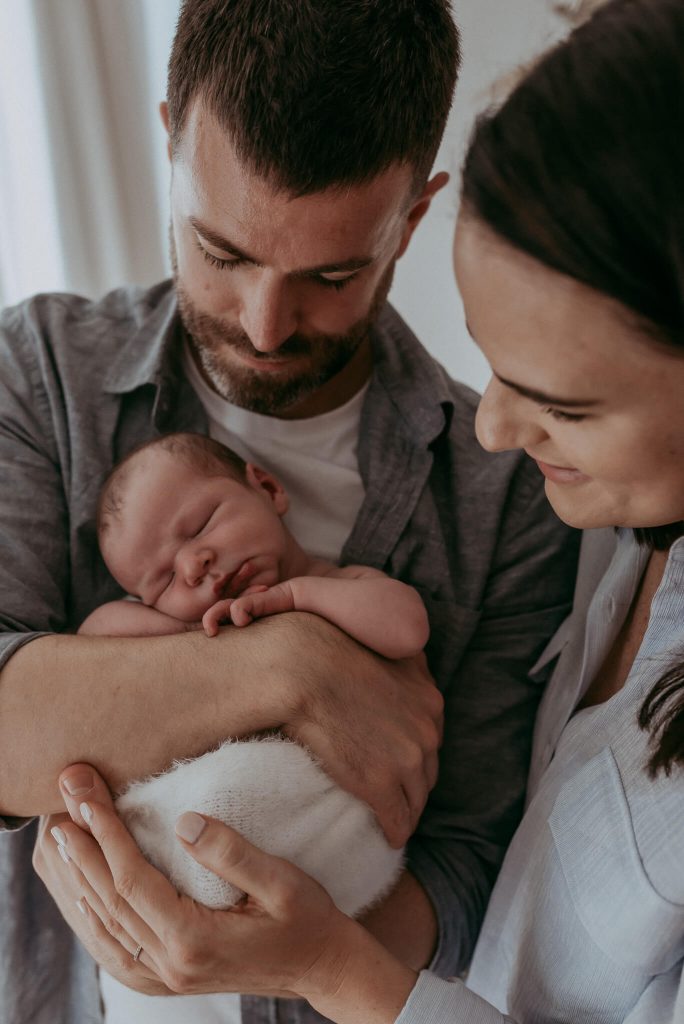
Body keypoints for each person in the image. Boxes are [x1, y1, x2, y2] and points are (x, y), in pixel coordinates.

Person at [43, 0, 684, 1020]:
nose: (263, 321)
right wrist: (287, 666)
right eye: (221, 250)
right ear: (169, 140)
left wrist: (303, 964)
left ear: (413, 215)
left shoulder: (531, 501)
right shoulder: (39, 379)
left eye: (332, 273)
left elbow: (471, 858)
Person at [78, 430, 425, 920]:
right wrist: (179, 628)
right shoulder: (198, 628)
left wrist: (295, 599)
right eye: (165, 580)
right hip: (202, 854)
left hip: (342, 841)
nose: (194, 565)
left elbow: (409, 628)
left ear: (267, 487)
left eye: (200, 526)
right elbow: (96, 635)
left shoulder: (341, 585)